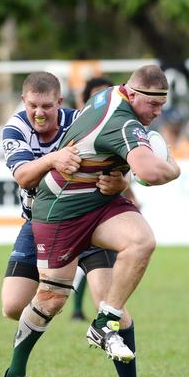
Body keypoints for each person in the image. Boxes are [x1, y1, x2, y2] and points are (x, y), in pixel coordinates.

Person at [2, 65, 180, 377]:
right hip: (59, 211)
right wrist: (173, 165)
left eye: (162, 105)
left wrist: (122, 182)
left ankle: (110, 338)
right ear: (134, 95)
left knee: (140, 243)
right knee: (50, 299)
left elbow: (107, 155)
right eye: (154, 105)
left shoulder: (111, 94)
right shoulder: (123, 122)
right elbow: (150, 170)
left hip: (98, 204)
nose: (158, 113)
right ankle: (15, 376)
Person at [71, 76, 116, 321]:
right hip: (73, 209)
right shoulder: (75, 127)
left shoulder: (116, 127)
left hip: (103, 209)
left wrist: (125, 187)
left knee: (100, 266)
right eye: (97, 95)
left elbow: (121, 170)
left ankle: (101, 319)